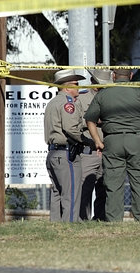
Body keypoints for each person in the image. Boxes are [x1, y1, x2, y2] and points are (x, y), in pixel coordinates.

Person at [84, 63, 140, 222]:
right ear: (131, 76)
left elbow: (89, 120)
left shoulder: (103, 94)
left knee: (113, 183)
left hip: (112, 140)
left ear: (113, 75)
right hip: (136, 140)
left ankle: (113, 221)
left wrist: (97, 141)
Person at [44, 69, 86, 222]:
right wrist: (87, 141)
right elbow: (71, 129)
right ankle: (70, 224)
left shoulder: (53, 102)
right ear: (68, 87)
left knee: (57, 192)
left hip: (54, 153)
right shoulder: (67, 104)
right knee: (71, 192)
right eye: (76, 84)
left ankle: (56, 224)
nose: (79, 87)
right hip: (66, 153)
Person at [78, 64, 112, 221]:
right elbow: (75, 124)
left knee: (105, 188)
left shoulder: (112, 98)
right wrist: (93, 120)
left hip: (108, 151)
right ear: (92, 80)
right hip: (89, 151)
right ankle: (82, 219)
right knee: (85, 189)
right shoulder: (81, 98)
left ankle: (100, 219)